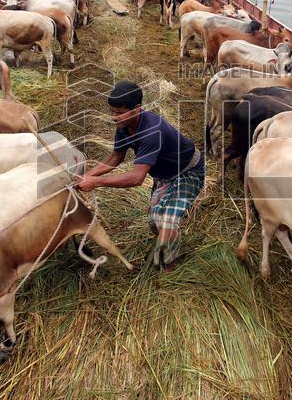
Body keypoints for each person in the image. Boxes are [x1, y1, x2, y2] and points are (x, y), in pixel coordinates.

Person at [75, 81, 205, 271]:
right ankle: (167, 239)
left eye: (119, 113)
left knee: (166, 219)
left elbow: (137, 178)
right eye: (112, 112)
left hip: (188, 171)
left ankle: (168, 267)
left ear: (137, 108)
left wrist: (96, 182)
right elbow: (116, 157)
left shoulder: (152, 130)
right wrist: (87, 176)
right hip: (163, 176)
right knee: (154, 222)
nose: (113, 117)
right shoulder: (124, 126)